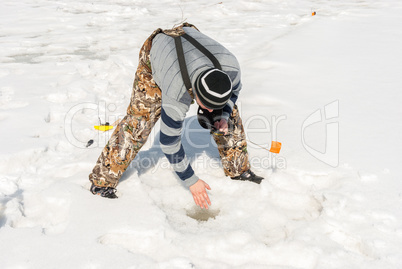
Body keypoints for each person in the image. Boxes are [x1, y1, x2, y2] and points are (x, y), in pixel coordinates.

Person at [89, 23, 263, 209]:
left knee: (229, 118)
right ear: (194, 95)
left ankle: (239, 170)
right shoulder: (177, 91)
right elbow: (168, 141)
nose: (211, 111)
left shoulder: (231, 70)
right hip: (158, 53)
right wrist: (191, 180)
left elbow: (234, 92)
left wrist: (225, 113)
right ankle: (102, 182)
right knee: (139, 123)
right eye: (207, 106)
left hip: (191, 40)